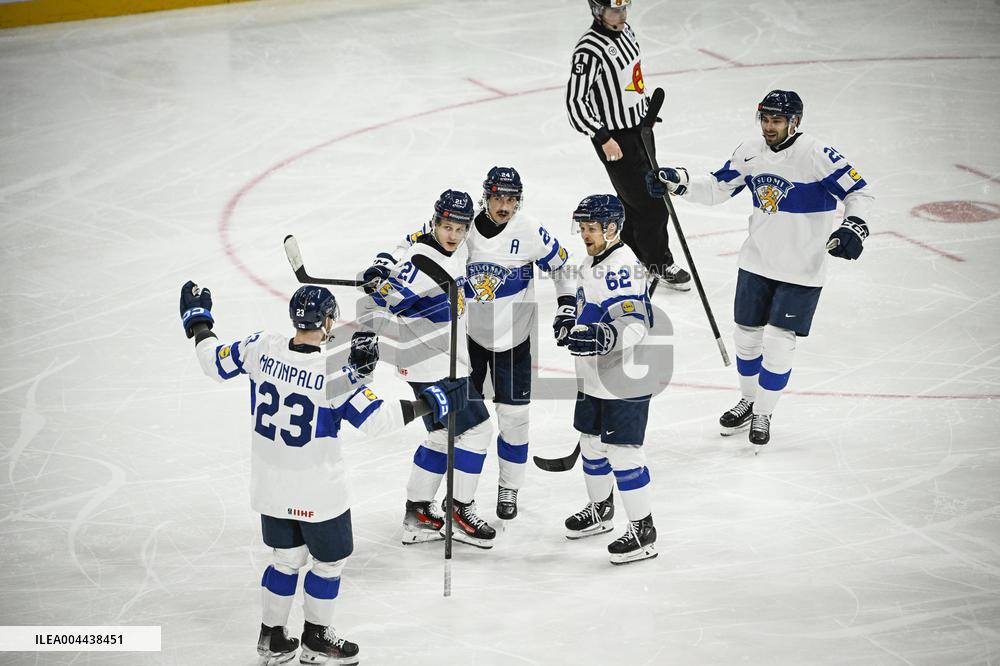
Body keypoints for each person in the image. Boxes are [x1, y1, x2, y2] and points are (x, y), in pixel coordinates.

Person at [180, 281, 466, 665]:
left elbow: (212, 360)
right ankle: (316, 640)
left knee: (285, 560)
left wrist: (199, 321)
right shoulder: (335, 374)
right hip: (318, 492)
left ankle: (272, 638)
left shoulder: (262, 347)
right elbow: (378, 420)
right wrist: (432, 401)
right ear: (329, 320)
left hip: (270, 487)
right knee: (328, 564)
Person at [645, 89, 875, 447]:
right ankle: (749, 400)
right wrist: (679, 181)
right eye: (765, 119)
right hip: (757, 261)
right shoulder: (750, 151)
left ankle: (764, 413)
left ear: (795, 122)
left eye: (777, 120)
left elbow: (859, 191)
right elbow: (718, 187)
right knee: (746, 337)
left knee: (779, 342)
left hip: (801, 268)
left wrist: (854, 225)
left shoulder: (816, 154)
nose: (769, 127)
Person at [361, 167, 574, 523]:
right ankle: (453, 505)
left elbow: (563, 266)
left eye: (511, 199)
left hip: (514, 342)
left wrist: (567, 306)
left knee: (514, 420)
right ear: (485, 196)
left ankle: (507, 489)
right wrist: (383, 264)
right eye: (497, 197)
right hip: (467, 344)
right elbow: (412, 243)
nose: (504, 205)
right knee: (460, 429)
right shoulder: (463, 226)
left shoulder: (530, 230)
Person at [359, 189, 498, 549]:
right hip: (434, 364)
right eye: (446, 227)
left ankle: (418, 514)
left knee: (441, 436)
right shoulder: (421, 261)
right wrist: (378, 300)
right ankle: (459, 509)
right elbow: (387, 300)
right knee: (479, 430)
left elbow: (405, 241)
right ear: (436, 222)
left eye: (459, 228)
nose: (452, 235)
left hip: (434, 360)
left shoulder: (445, 247)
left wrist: (382, 260)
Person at [566, 0, 691, 292]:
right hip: (615, 140)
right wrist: (602, 137)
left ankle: (633, 256)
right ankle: (658, 262)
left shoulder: (627, 32)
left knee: (635, 202)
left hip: (640, 130)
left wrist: (642, 110)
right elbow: (575, 103)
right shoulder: (589, 50)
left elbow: (631, 80)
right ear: (597, 11)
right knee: (652, 203)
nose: (621, 15)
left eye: (624, 8)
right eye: (614, 10)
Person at [559, 194, 658, 565]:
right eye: (582, 227)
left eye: (591, 228)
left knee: (623, 453)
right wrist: (569, 317)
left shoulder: (622, 266)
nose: (585, 234)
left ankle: (643, 529)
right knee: (591, 443)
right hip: (595, 375)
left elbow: (635, 324)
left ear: (612, 229)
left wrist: (606, 337)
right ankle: (601, 510)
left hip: (625, 377)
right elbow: (592, 305)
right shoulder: (592, 260)